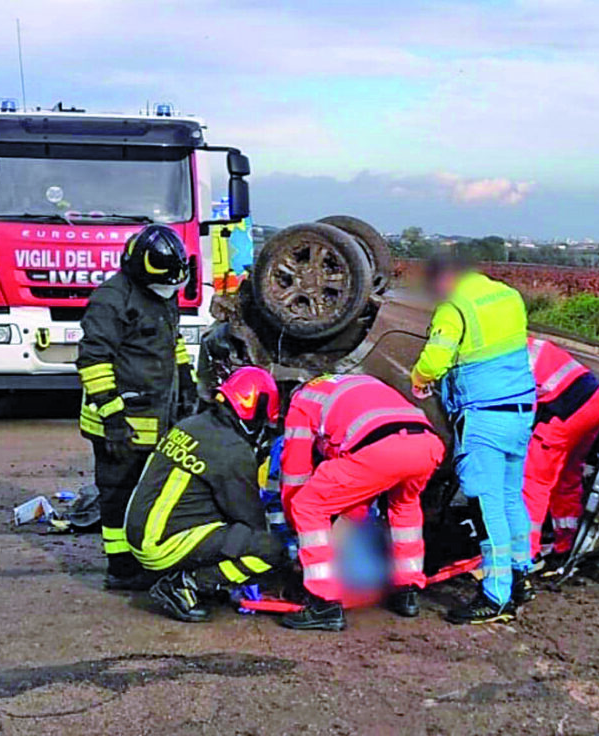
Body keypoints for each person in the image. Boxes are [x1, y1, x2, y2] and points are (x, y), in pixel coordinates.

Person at [410, 255, 535, 624]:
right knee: (512, 497)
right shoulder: (507, 296)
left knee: (486, 505)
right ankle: (520, 575)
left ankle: (495, 596)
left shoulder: (454, 308)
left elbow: (435, 360)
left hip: (484, 417)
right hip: (522, 410)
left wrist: (419, 378)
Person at [76, 225, 199, 589]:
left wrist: (186, 379)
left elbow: (170, 340)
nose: (171, 291)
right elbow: (93, 361)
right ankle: (121, 568)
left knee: (147, 492)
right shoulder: (111, 300)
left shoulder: (162, 292)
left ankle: (145, 554)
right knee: (117, 493)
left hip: (156, 416)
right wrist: (113, 419)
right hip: (118, 423)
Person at [279, 374, 445, 632]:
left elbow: (295, 471)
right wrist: (345, 523)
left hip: (379, 450)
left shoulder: (301, 402)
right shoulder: (356, 382)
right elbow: (361, 489)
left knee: (308, 505)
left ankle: (324, 603)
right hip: (427, 444)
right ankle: (407, 591)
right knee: (404, 505)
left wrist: (295, 524)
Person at [124, 367, 284, 622]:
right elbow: (251, 520)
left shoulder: (193, 424)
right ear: (255, 411)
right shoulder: (232, 450)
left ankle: (185, 573)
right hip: (163, 544)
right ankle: (186, 584)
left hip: (140, 536)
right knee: (269, 548)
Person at [523, 337, 599, 567]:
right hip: (595, 402)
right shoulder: (526, 343)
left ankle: (525, 554)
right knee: (567, 476)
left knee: (533, 482)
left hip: (564, 411)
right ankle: (565, 544)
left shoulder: (502, 359)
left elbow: (518, 411)